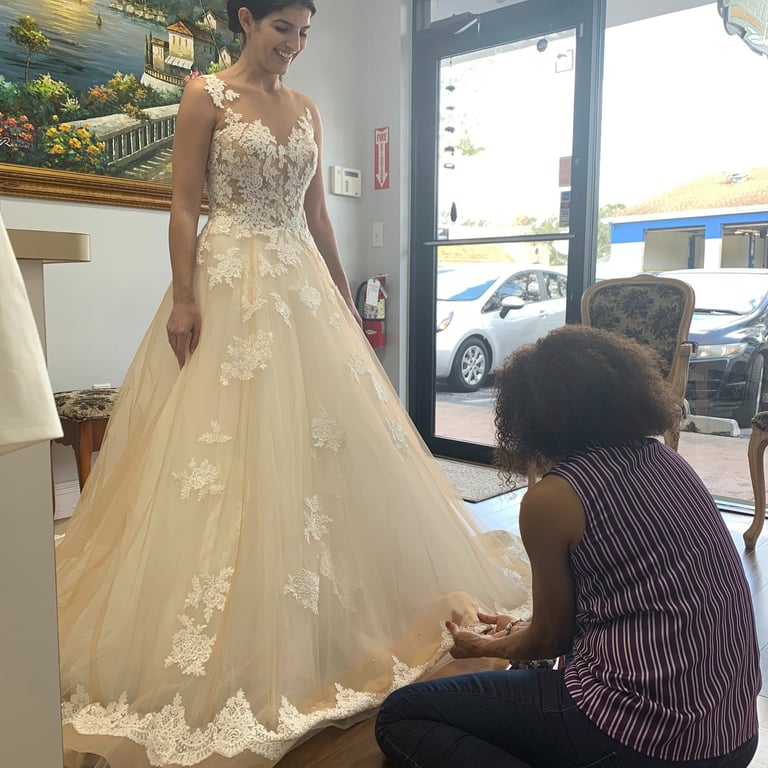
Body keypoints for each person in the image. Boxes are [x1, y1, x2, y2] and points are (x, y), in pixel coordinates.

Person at [54, 2, 531, 767]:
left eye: (305, 34)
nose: (295, 46)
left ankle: (339, 616)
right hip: (228, 285)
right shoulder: (205, 94)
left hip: (300, 286)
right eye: (283, 30)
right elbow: (183, 205)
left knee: (329, 448)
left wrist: (343, 300)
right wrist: (184, 296)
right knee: (223, 451)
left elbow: (318, 216)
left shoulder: (307, 107)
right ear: (246, 19)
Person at [376, 324, 761, 768]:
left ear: (530, 416)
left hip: (644, 738)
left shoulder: (555, 497)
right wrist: (519, 629)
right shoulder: (667, 460)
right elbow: (625, 602)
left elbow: (551, 638)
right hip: (733, 734)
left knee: (401, 716)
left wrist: (485, 647)